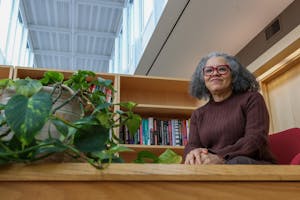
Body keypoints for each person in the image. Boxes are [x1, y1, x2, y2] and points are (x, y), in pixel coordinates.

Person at [184, 52, 276, 165]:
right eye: (208, 70)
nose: (215, 73)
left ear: (234, 75)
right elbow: (192, 145)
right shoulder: (198, 114)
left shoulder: (252, 99)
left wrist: (219, 157)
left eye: (222, 69)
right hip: (212, 168)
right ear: (202, 79)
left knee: (235, 162)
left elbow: (255, 140)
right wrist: (194, 154)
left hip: (251, 164)